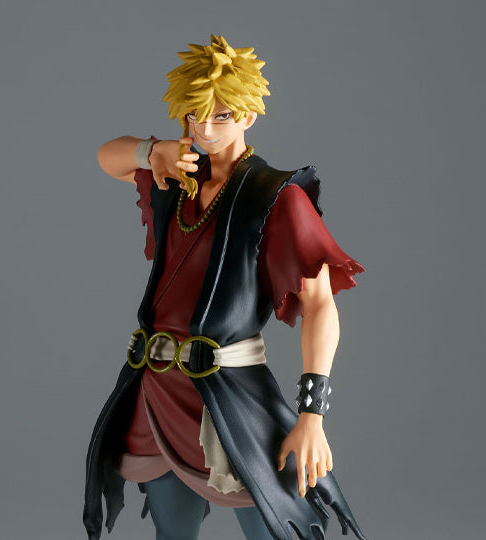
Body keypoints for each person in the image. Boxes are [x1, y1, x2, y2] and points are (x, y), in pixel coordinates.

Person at [84, 35, 366, 540]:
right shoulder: (177, 178)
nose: (206, 129)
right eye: (195, 116)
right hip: (157, 389)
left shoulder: (275, 196)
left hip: (228, 393)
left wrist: (312, 415)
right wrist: (154, 151)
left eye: (222, 116)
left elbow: (321, 304)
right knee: (172, 531)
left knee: (271, 520)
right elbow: (108, 156)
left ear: (248, 115)